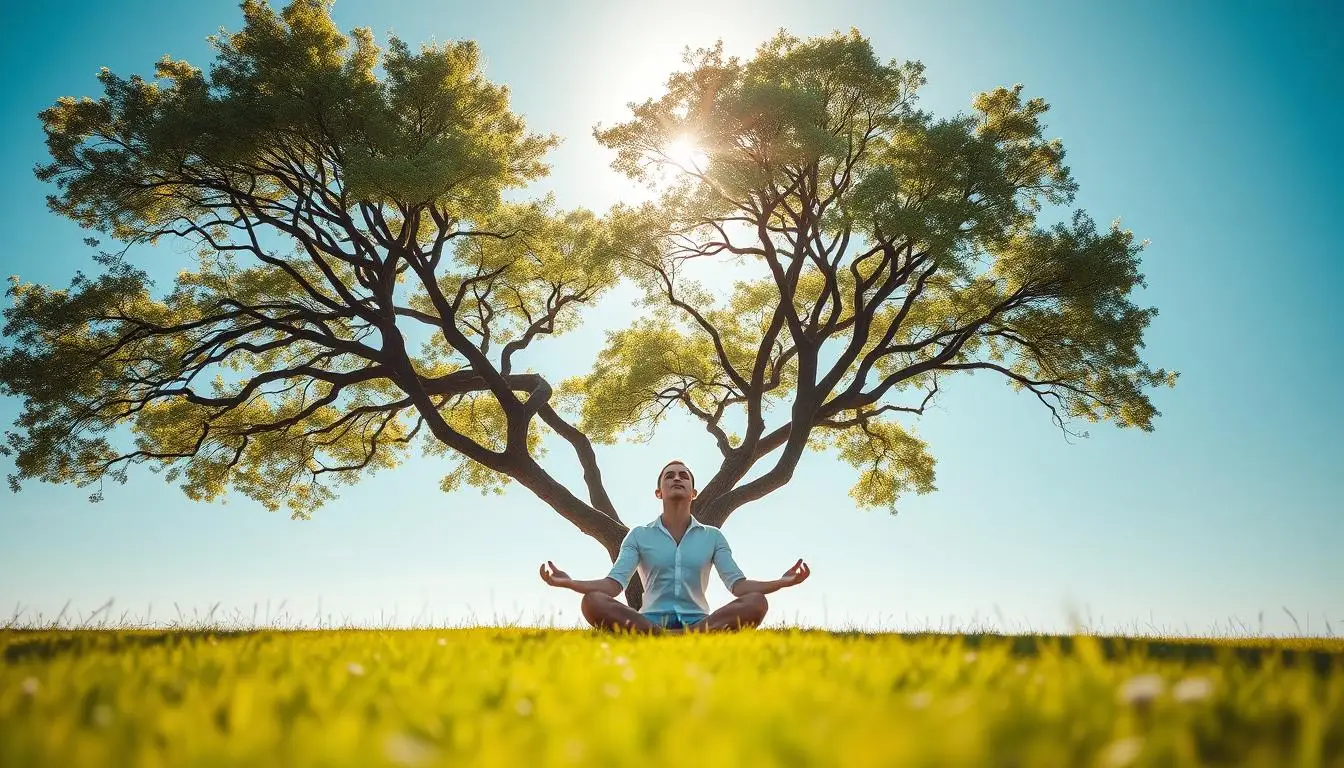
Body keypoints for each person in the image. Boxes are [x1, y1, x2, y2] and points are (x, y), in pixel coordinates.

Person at [539, 459, 811, 634]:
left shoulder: (713, 537)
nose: (677, 478)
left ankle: (675, 637)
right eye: (669, 476)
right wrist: (570, 583)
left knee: (756, 601)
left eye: (683, 476)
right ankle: (669, 637)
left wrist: (781, 582)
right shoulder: (638, 535)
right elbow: (613, 586)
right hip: (649, 622)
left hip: (700, 622)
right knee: (593, 601)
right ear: (659, 492)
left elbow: (738, 586)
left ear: (693, 492)